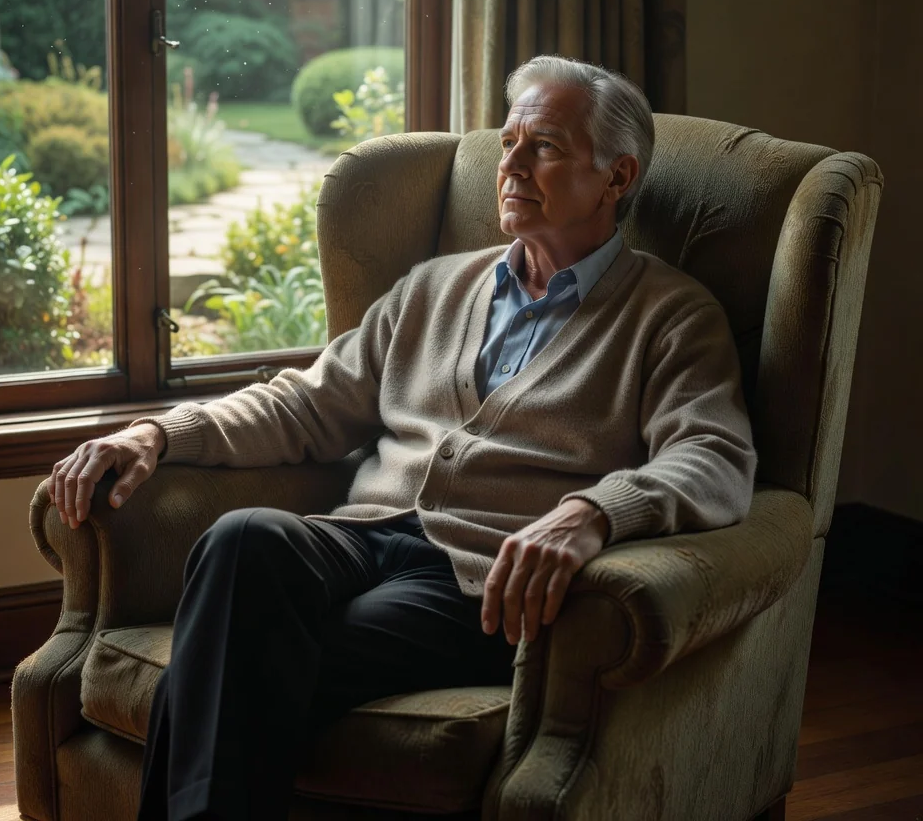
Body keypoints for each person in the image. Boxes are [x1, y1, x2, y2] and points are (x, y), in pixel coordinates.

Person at [47, 56, 757, 821]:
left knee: (240, 659)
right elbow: (307, 405)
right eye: (509, 141)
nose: (509, 164)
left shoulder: (672, 315)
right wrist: (158, 433)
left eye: (543, 146)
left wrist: (595, 513)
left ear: (617, 177)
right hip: (362, 536)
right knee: (241, 539)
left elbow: (713, 458)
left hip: (478, 584)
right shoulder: (435, 286)